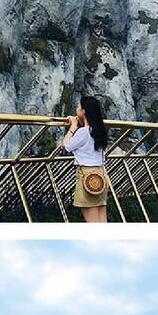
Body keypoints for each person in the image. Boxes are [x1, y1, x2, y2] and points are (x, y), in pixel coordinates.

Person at [59, 95, 109, 223]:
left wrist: (73, 126)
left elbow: (66, 146)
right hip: (101, 176)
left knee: (93, 223)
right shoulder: (99, 131)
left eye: (78, 107)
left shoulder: (83, 132)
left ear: (84, 111)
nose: (76, 109)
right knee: (102, 221)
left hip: (87, 176)